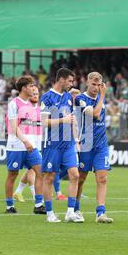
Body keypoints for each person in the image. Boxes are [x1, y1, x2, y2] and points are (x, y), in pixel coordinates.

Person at [40, 67, 82, 223]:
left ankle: (70, 212)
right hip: (52, 144)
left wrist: (76, 139)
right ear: (62, 79)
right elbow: (44, 123)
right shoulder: (47, 97)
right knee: (49, 177)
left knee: (75, 175)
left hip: (68, 142)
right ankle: (50, 213)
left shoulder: (68, 97)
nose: (71, 84)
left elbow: (71, 120)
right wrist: (62, 120)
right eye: (70, 81)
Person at [74, 72, 113, 223]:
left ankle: (100, 213)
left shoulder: (100, 98)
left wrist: (101, 97)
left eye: (99, 85)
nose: (96, 88)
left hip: (101, 144)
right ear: (87, 83)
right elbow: (95, 114)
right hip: (86, 144)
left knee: (102, 178)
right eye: (94, 84)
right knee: (81, 178)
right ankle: (76, 209)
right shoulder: (80, 99)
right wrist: (102, 96)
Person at [5, 76, 45, 214]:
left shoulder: (31, 105)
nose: (33, 88)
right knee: (12, 175)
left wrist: (33, 142)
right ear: (23, 88)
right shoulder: (14, 104)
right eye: (31, 86)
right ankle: (9, 206)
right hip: (16, 146)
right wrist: (25, 141)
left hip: (31, 147)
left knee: (41, 172)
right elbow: (14, 127)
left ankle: (39, 204)